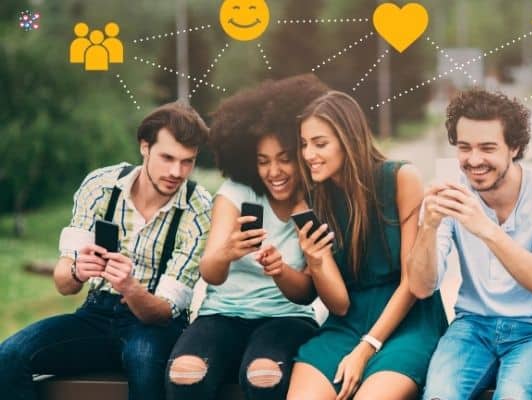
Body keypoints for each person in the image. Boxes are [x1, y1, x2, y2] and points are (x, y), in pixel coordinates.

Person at [0, 102, 213, 400]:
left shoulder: (198, 208)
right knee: (8, 356)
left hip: (154, 326)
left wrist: (130, 288)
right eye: (167, 158)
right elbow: (64, 284)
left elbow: (163, 313)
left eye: (187, 162)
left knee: (144, 361)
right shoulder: (101, 186)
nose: (176, 172)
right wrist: (76, 270)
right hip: (96, 314)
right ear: (144, 147)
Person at [165, 74, 329, 400]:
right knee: (185, 374)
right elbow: (210, 272)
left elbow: (307, 294)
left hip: (287, 318)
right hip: (221, 314)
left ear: (301, 155)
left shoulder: (316, 201)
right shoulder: (235, 193)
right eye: (263, 161)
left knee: (264, 376)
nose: (274, 172)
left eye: (284, 159)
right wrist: (227, 252)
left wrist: (280, 270)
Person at [408, 89, 532, 400]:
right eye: (464, 148)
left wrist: (485, 228)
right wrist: (428, 227)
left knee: (514, 395)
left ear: (514, 147)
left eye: (487, 148)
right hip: (473, 325)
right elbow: (421, 288)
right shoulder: (450, 192)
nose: (474, 160)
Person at [286, 91, 448, 400]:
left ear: (349, 140)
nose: (308, 154)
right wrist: (317, 262)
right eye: (304, 144)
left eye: (320, 144)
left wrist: (367, 347)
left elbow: (413, 283)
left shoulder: (401, 178)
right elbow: (340, 305)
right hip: (347, 322)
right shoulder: (309, 200)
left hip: (408, 320)